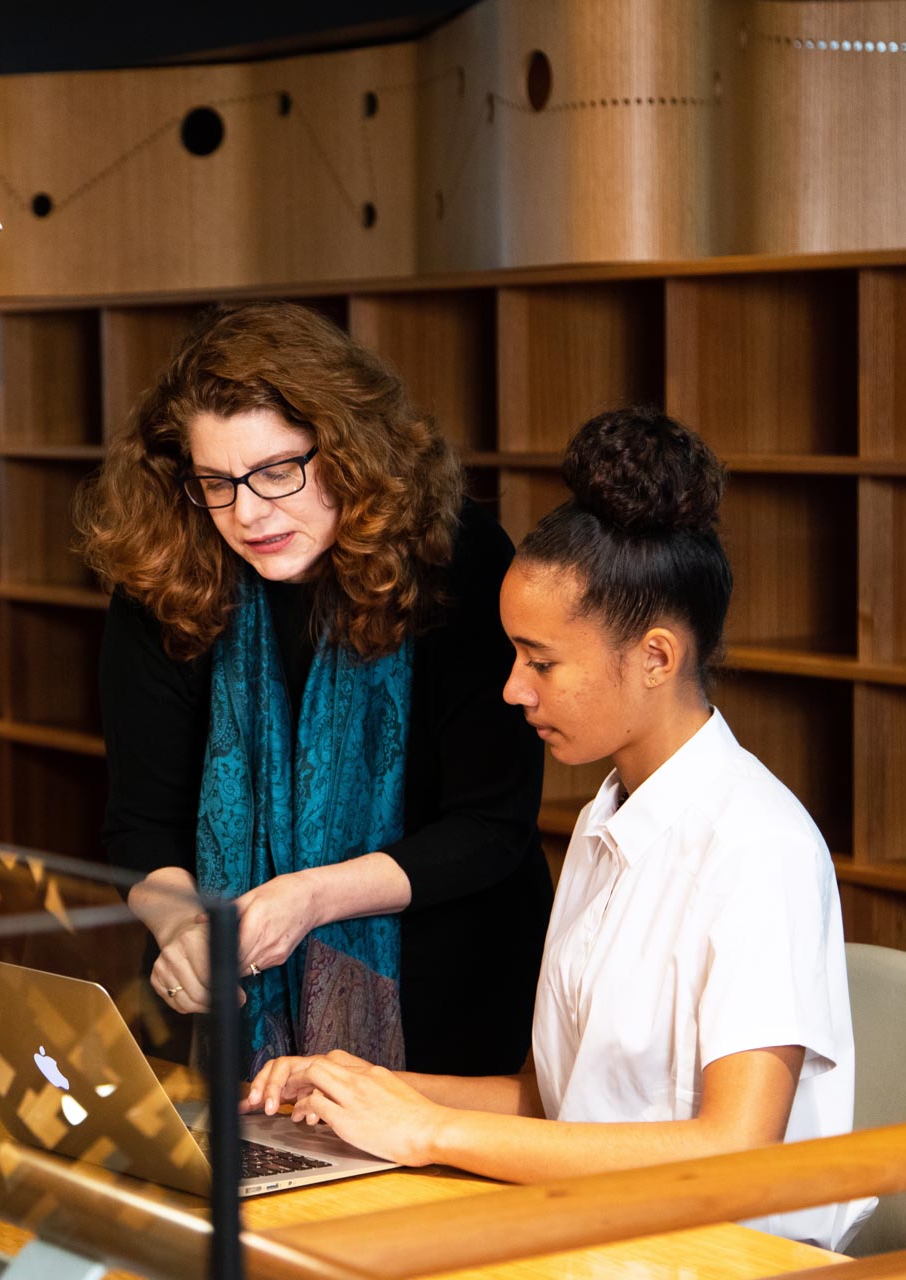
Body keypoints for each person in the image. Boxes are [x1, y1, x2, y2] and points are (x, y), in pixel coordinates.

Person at [241, 407, 873, 1251]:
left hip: (733, 1257)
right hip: (605, 1237)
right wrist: (369, 1092)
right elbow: (554, 1103)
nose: (512, 689)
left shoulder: (759, 848)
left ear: (655, 658)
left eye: (541, 662)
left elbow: (735, 1152)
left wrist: (428, 1133)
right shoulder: (606, 819)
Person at [75, 300, 550, 1079]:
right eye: (216, 483)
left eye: (276, 472)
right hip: (244, 1022)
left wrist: (312, 898)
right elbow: (140, 827)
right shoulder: (162, 572)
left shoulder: (453, 558)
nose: (248, 513)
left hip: (452, 999)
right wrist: (180, 927)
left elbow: (492, 824)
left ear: (348, 450)